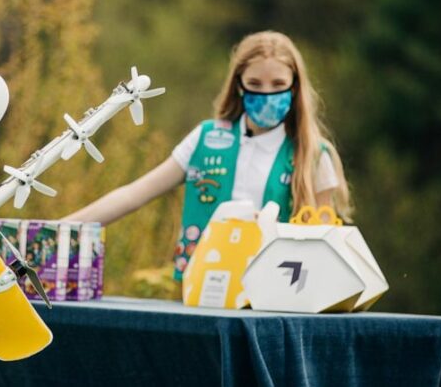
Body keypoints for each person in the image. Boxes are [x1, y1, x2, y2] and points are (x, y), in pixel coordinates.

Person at [63, 31, 352, 280]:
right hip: (205, 291)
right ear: (239, 85)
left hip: (275, 300)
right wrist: (58, 229)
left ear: (294, 87)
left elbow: (323, 246)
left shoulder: (314, 155)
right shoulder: (207, 138)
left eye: (278, 85)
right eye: (255, 84)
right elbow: (133, 195)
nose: (266, 94)